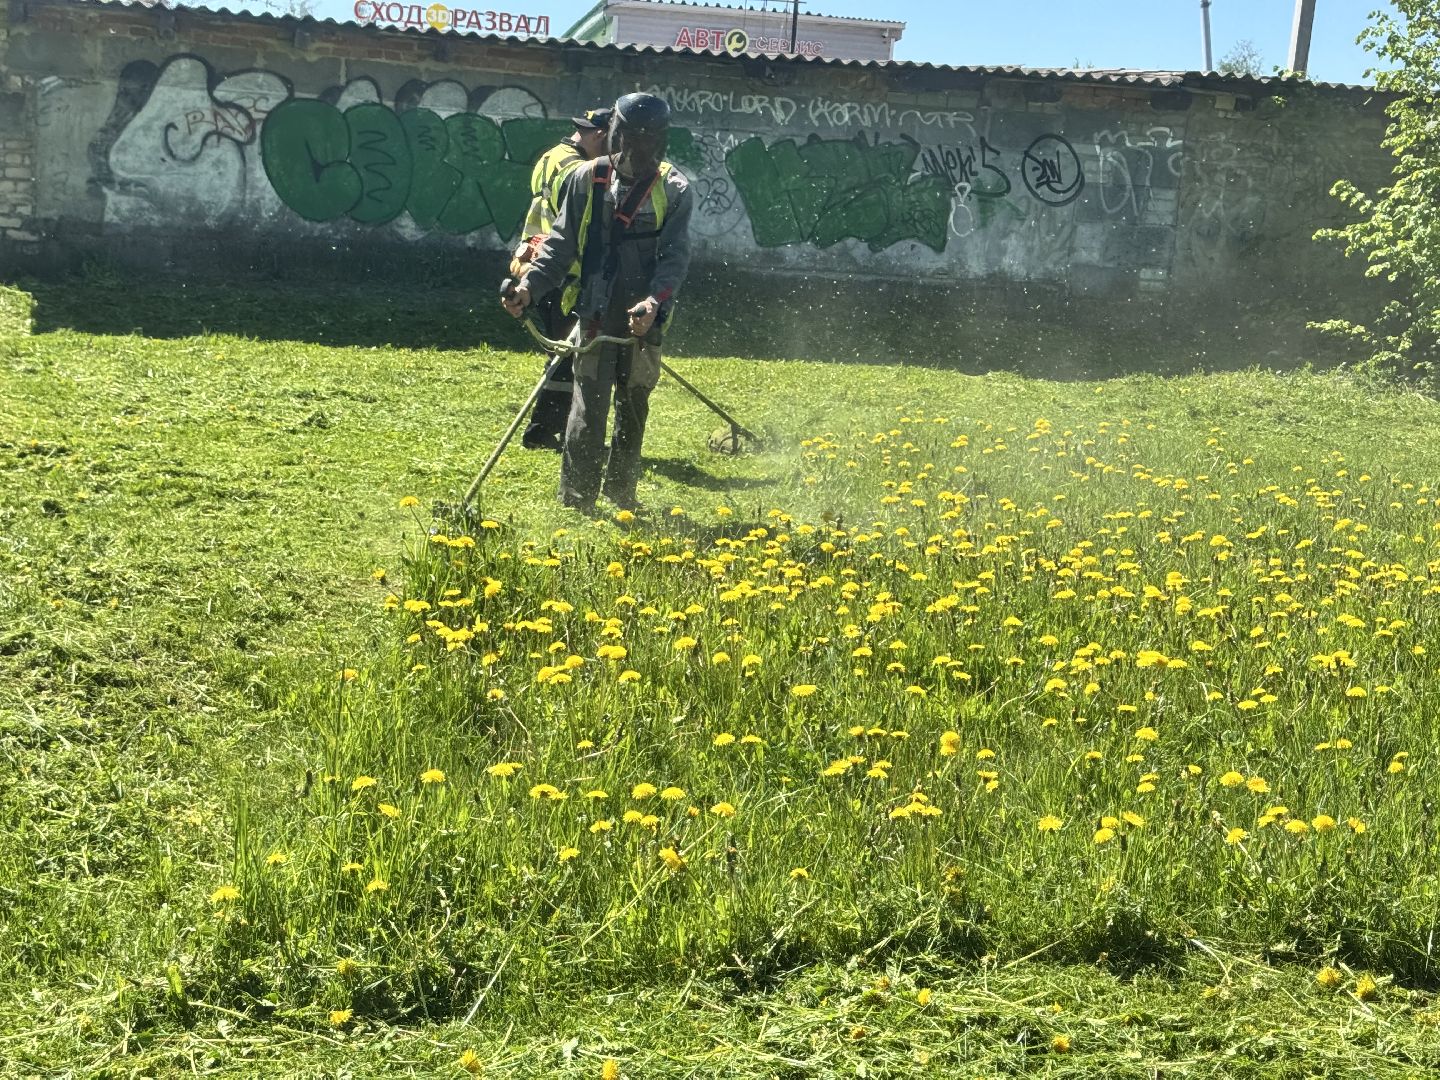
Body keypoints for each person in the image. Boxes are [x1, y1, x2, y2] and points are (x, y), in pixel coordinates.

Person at [503, 93, 693, 514]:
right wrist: (528, 289)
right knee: (588, 401)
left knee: (634, 401)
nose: (639, 149)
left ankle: (621, 491)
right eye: (631, 138)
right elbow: (558, 246)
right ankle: (577, 497)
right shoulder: (585, 179)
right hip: (594, 307)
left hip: (646, 316)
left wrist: (653, 303)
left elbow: (674, 258)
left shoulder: (675, 189)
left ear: (661, 141)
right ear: (615, 134)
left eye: (649, 140)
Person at [513, 107, 611, 451]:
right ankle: (541, 431)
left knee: (564, 351)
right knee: (566, 355)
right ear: (600, 134)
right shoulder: (577, 169)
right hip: (560, 273)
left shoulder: (551, 156)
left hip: (536, 262)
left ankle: (551, 429)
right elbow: (583, 212)